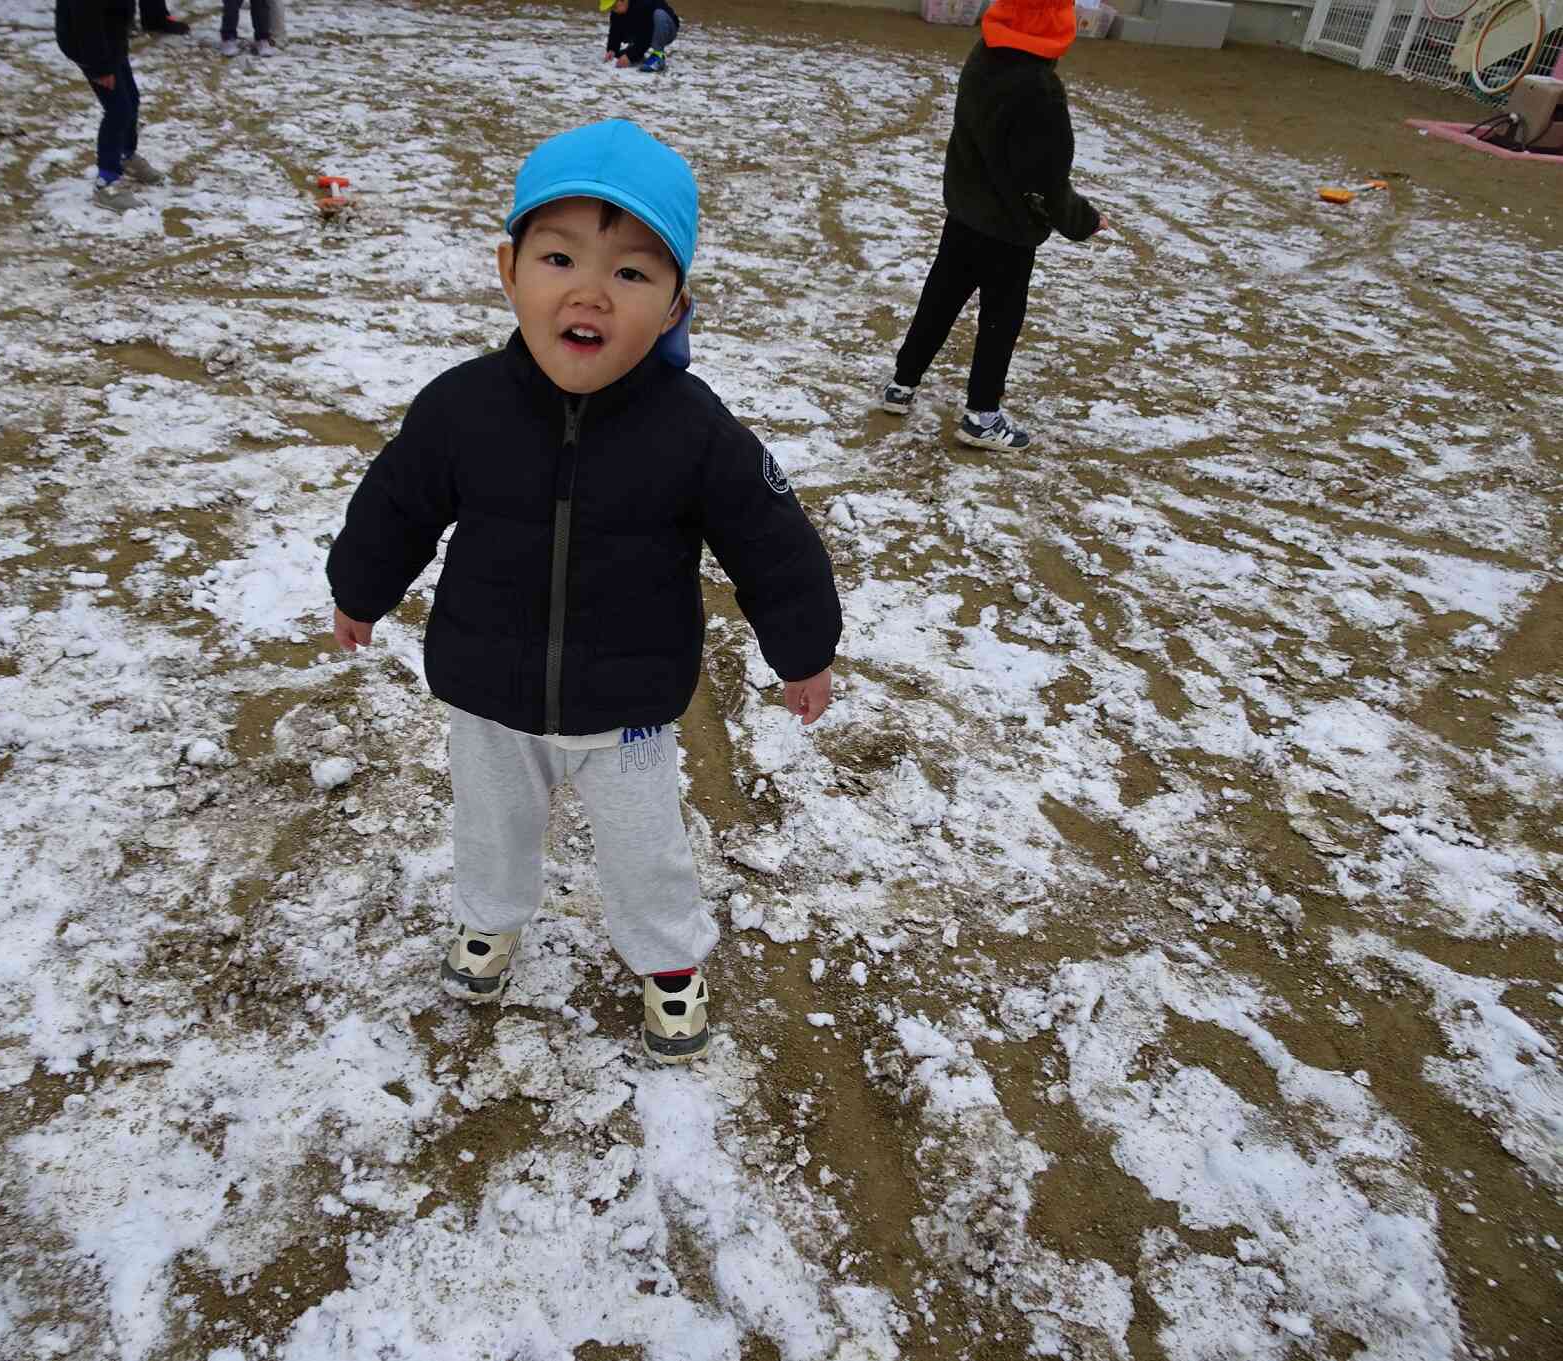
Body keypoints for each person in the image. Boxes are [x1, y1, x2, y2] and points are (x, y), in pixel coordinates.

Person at [326, 120, 840, 1064]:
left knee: (645, 850)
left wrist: (802, 649)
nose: (591, 291)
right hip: (488, 686)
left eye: (633, 274)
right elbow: (395, 503)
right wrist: (358, 589)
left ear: (677, 303)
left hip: (629, 704)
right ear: (508, 268)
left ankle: (670, 965)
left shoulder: (695, 431)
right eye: (559, 256)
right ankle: (488, 922)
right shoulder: (462, 408)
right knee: (490, 826)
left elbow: (774, 541)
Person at [880, 0, 1107, 450]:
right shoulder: (1040, 90)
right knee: (1001, 319)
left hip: (964, 212)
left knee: (940, 298)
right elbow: (1045, 178)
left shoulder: (982, 56)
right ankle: (982, 414)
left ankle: (901, 385)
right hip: (1009, 230)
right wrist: (1083, 221)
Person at [54, 0, 166, 213]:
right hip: (90, 49)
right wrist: (100, 68)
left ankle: (126, 155)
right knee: (118, 110)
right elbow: (85, 24)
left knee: (131, 99)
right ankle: (105, 182)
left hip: (111, 38)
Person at [602, 0, 680, 73]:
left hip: (666, 28)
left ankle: (658, 56)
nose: (613, 10)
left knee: (659, 14)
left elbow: (647, 34)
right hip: (645, 31)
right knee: (621, 19)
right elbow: (615, 31)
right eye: (611, 8)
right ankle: (636, 51)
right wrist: (612, 49)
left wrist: (630, 56)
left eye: (614, 7)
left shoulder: (643, 4)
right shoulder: (618, 10)